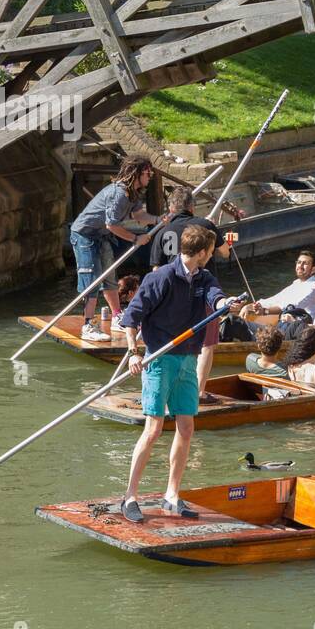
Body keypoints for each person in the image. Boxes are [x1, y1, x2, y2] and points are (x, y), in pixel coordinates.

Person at [118, 225, 237, 522]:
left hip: (187, 359)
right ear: (199, 252)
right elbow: (131, 318)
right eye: (210, 251)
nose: (212, 255)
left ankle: (171, 494)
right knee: (154, 428)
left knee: (186, 427)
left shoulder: (204, 278)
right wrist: (134, 352)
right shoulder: (160, 278)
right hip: (159, 360)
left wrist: (227, 305)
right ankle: (130, 496)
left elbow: (215, 298)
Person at [149, 186, 233, 404]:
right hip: (202, 292)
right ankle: (198, 393)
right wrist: (216, 235)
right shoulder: (205, 226)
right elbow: (225, 252)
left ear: (171, 208)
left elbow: (155, 271)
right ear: (191, 206)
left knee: (173, 342)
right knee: (207, 343)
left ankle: (167, 389)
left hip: (171, 296)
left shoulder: (161, 232)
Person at [69, 156, 160, 342]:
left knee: (109, 276)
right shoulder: (118, 194)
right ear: (136, 174)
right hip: (85, 234)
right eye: (147, 173)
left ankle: (117, 316)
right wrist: (136, 238)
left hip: (101, 235)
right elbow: (112, 225)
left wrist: (159, 220)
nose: (150, 176)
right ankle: (88, 324)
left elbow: (139, 215)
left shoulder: (133, 193)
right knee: (92, 278)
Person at [242, 250, 315, 318]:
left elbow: (291, 307)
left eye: (305, 263)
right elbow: (276, 299)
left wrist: (264, 311)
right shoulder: (297, 283)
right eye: (299, 262)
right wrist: (251, 306)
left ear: (313, 269)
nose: (300, 266)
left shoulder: (313, 286)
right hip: (285, 320)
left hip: (300, 327)